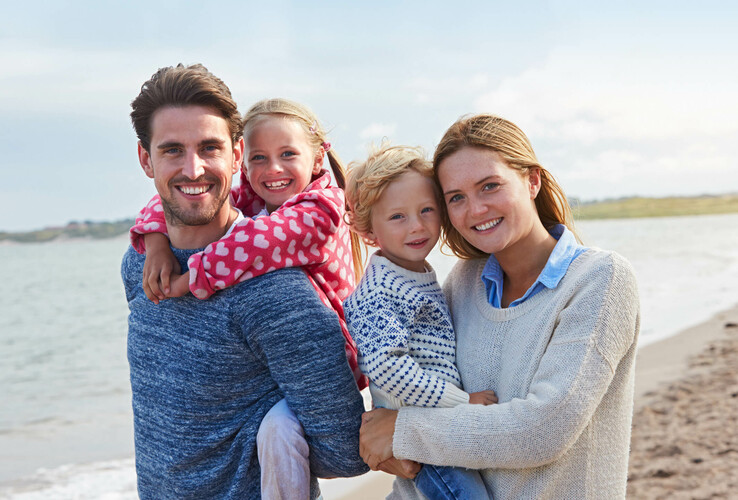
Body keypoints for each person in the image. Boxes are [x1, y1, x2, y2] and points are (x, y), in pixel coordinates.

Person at [359, 114, 640, 499]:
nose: (475, 210)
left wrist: (401, 432)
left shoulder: (600, 280)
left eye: (489, 186)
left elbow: (541, 431)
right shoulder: (463, 281)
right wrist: (385, 437)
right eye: (456, 197)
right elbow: (409, 385)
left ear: (532, 180)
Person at [122, 63, 367, 499]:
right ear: (146, 159)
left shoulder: (276, 292)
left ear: (235, 155)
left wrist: (271, 431)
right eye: (173, 150)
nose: (194, 169)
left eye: (209, 148)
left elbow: (346, 450)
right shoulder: (139, 264)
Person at [343, 144, 497, 500]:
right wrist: (462, 402)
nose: (417, 226)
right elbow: (388, 368)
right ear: (369, 232)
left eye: (427, 210)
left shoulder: (415, 273)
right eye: (398, 217)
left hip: (433, 427)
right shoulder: (379, 290)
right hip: (419, 436)